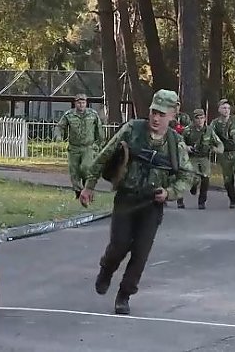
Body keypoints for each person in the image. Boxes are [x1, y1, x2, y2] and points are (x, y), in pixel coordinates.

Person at [79, 89, 195, 315]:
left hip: (152, 204)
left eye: (162, 114)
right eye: (153, 112)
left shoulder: (175, 143)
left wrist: (170, 192)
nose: (155, 117)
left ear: (173, 114)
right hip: (126, 198)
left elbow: (187, 176)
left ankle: (124, 295)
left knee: (141, 253)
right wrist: (89, 186)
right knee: (119, 245)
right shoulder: (132, 130)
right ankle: (106, 269)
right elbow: (104, 155)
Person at [54, 93, 103, 199]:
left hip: (88, 147)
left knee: (86, 167)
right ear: (75, 103)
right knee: (74, 170)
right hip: (74, 148)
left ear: (86, 103)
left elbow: (99, 129)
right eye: (79, 103)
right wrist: (58, 137)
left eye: (83, 103)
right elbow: (60, 126)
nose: (81, 105)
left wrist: (99, 144)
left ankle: (87, 188)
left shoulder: (93, 114)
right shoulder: (69, 115)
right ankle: (78, 191)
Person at [208, 98, 235, 208]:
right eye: (224, 108)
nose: (226, 110)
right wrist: (213, 147)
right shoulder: (215, 123)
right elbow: (209, 137)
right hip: (224, 154)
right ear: (219, 109)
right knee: (228, 180)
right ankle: (233, 200)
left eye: (228, 108)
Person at [179, 108, 224, 209]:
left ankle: (202, 202)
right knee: (189, 177)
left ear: (205, 118)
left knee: (206, 178)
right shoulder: (188, 130)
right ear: (194, 119)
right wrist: (187, 148)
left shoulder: (209, 130)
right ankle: (182, 197)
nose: (200, 120)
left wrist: (216, 149)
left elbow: (219, 143)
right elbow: (180, 143)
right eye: (197, 118)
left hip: (204, 157)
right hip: (192, 157)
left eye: (202, 118)